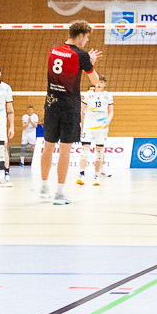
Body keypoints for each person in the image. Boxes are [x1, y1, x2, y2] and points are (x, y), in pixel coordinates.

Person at [39, 21, 101, 205]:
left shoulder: (53, 51)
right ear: (80, 36)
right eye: (86, 38)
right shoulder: (81, 55)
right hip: (69, 107)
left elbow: (67, 68)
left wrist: (85, 62)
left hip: (51, 104)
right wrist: (90, 62)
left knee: (48, 147)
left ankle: (44, 187)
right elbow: (95, 81)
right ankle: (59, 194)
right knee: (65, 149)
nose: (86, 41)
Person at [77, 73, 115, 184]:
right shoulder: (87, 94)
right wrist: (82, 126)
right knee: (85, 150)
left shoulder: (108, 95)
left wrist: (108, 120)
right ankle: (81, 175)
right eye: (98, 82)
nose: (99, 84)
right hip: (89, 126)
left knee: (99, 151)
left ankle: (96, 176)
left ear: (105, 84)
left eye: (101, 82)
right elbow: (82, 111)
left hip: (101, 127)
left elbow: (111, 111)